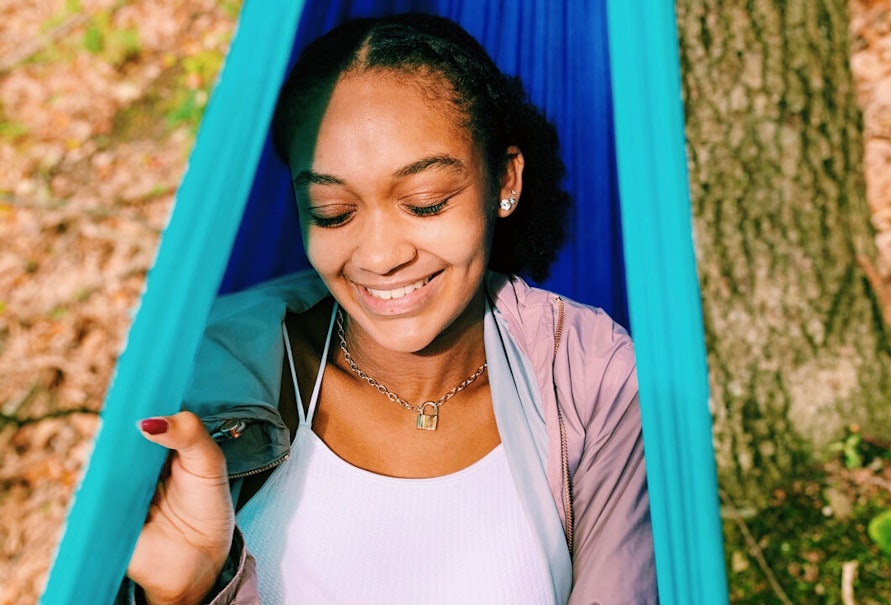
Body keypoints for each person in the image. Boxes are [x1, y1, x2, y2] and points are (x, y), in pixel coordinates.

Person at [124, 13, 656, 605]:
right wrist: (188, 592)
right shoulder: (208, 377)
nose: (379, 256)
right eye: (333, 211)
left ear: (504, 180)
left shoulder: (593, 379)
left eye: (425, 203)